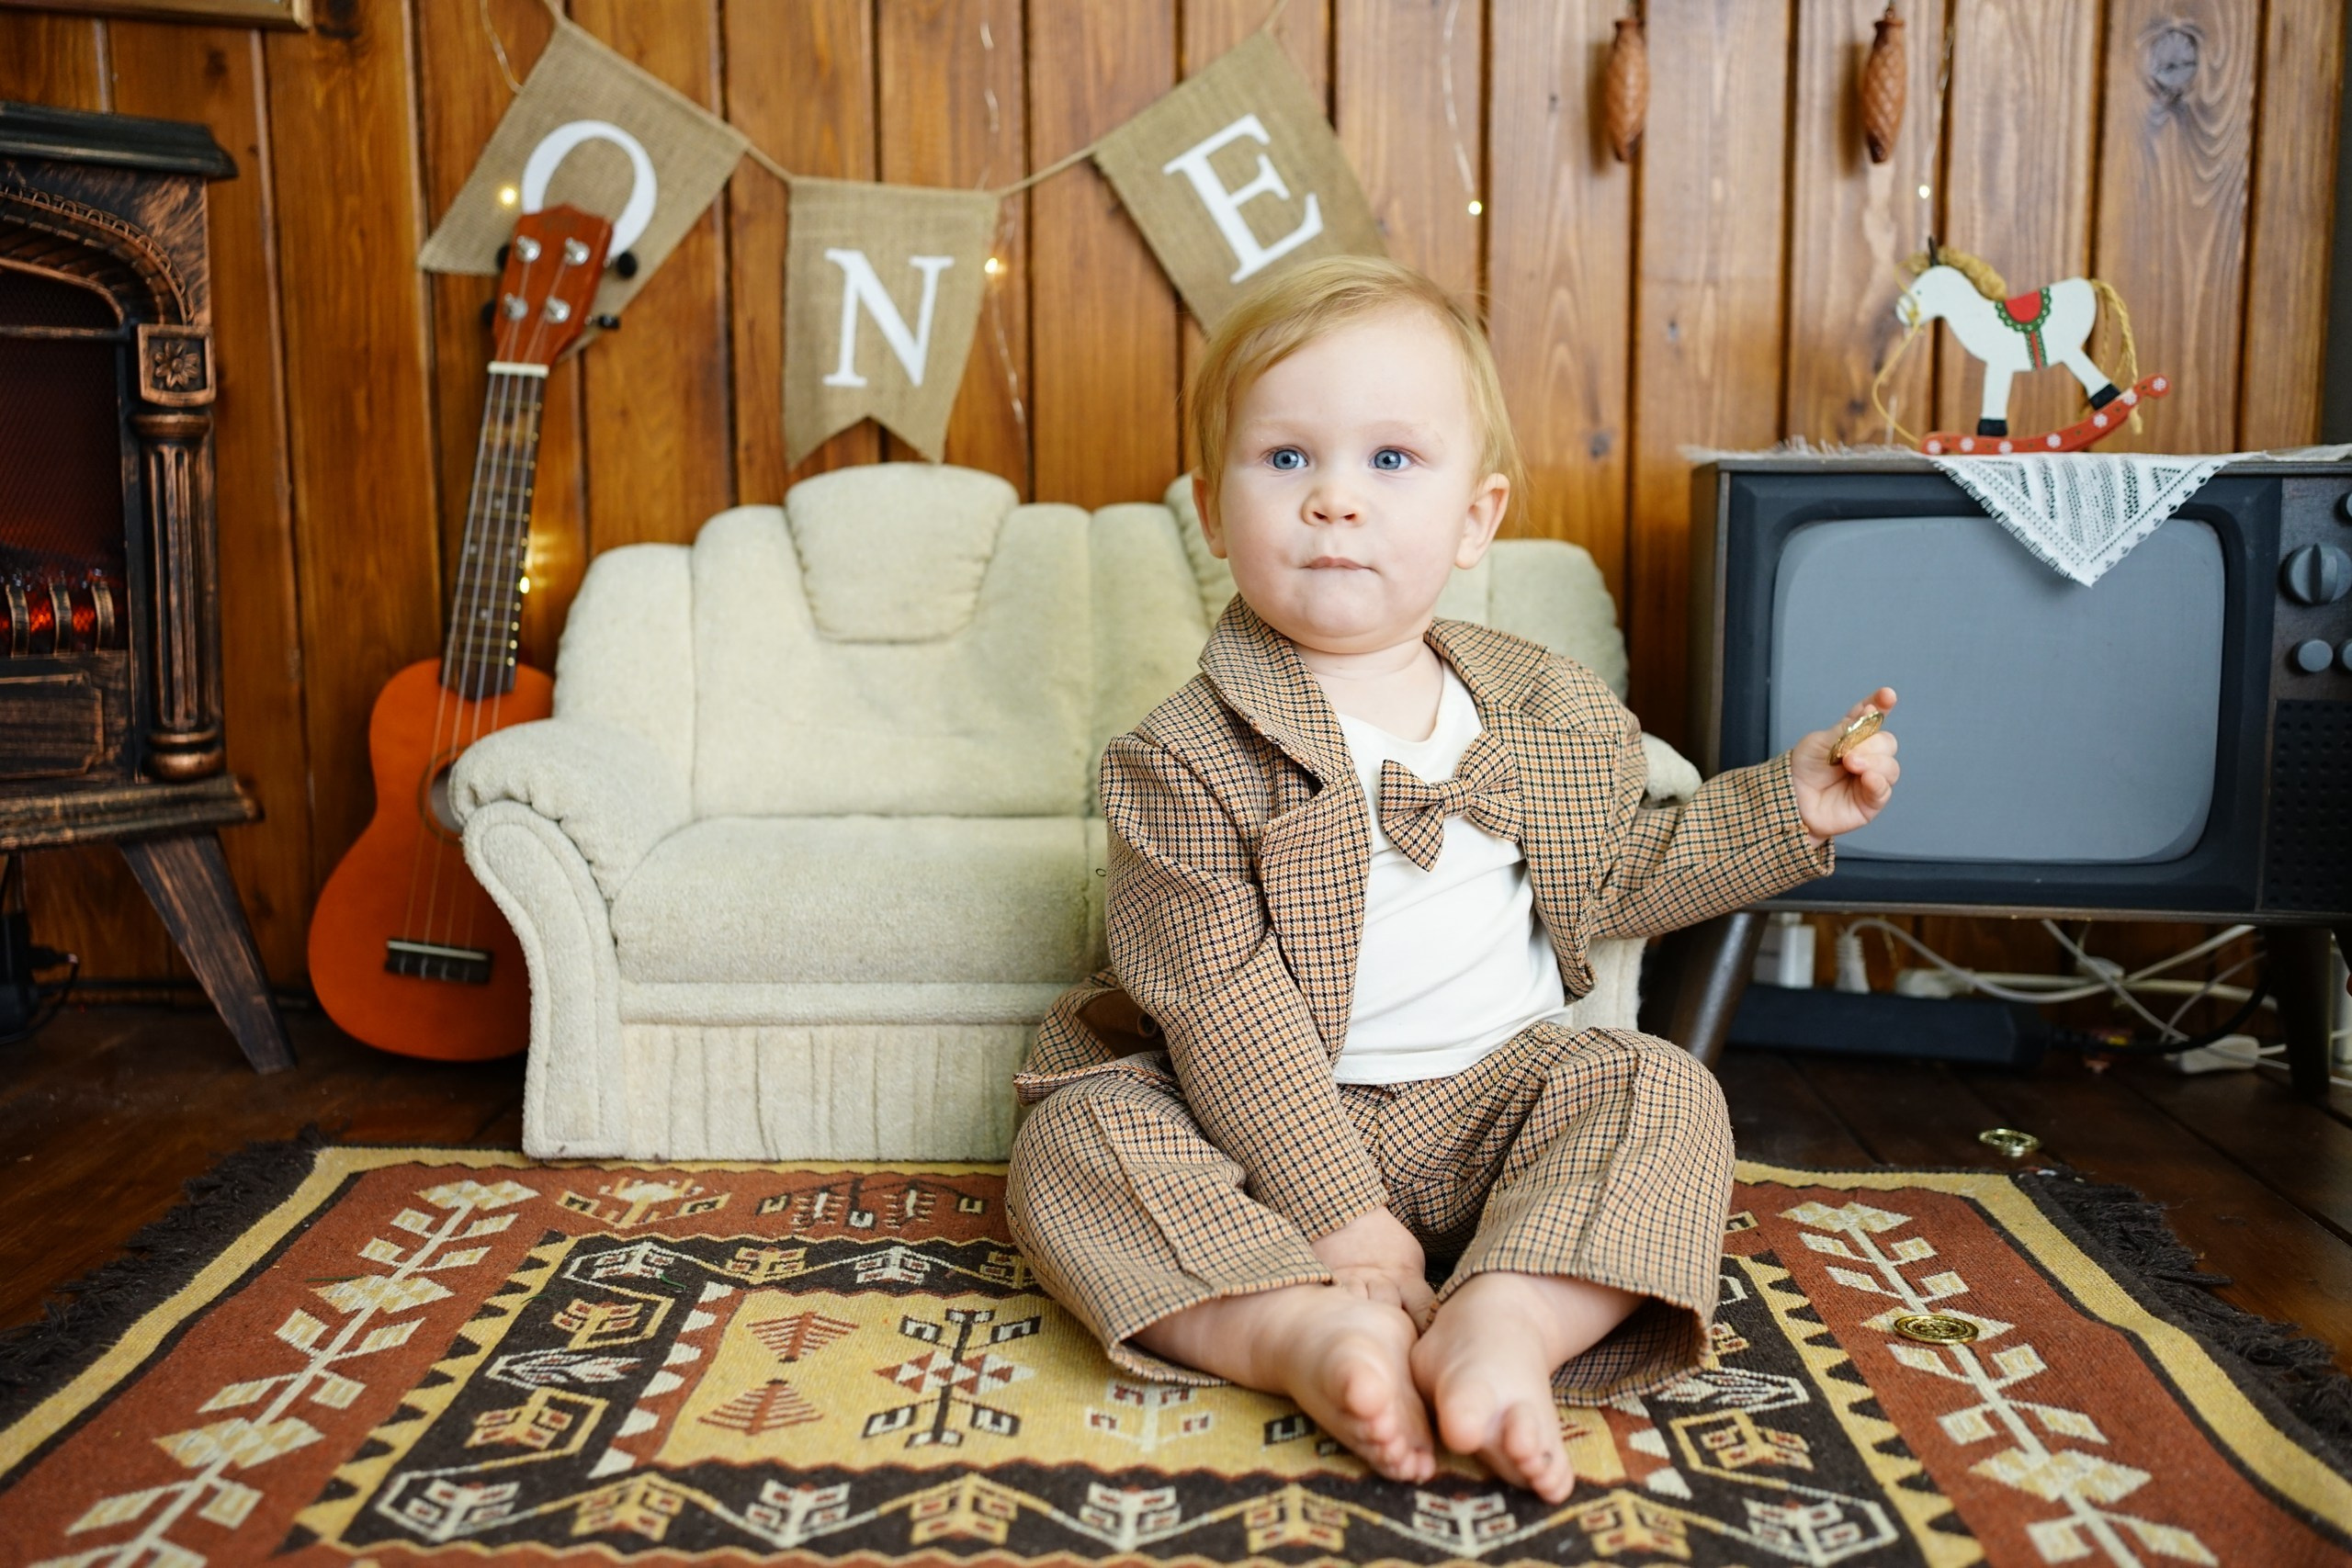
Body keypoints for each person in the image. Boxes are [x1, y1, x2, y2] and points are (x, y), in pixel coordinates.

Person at [1006, 255, 1900, 1503]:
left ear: (1476, 518)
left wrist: (1782, 806)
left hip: (1493, 1105)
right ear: (1214, 510)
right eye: (1285, 461)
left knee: (1658, 1089)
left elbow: (1619, 876)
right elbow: (1220, 1004)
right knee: (1077, 1140)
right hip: (1250, 1127)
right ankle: (1297, 1329)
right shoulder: (1180, 756)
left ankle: (1510, 1317)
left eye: (1389, 461)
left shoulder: (1542, 708)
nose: (1333, 502)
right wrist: (1339, 1220)